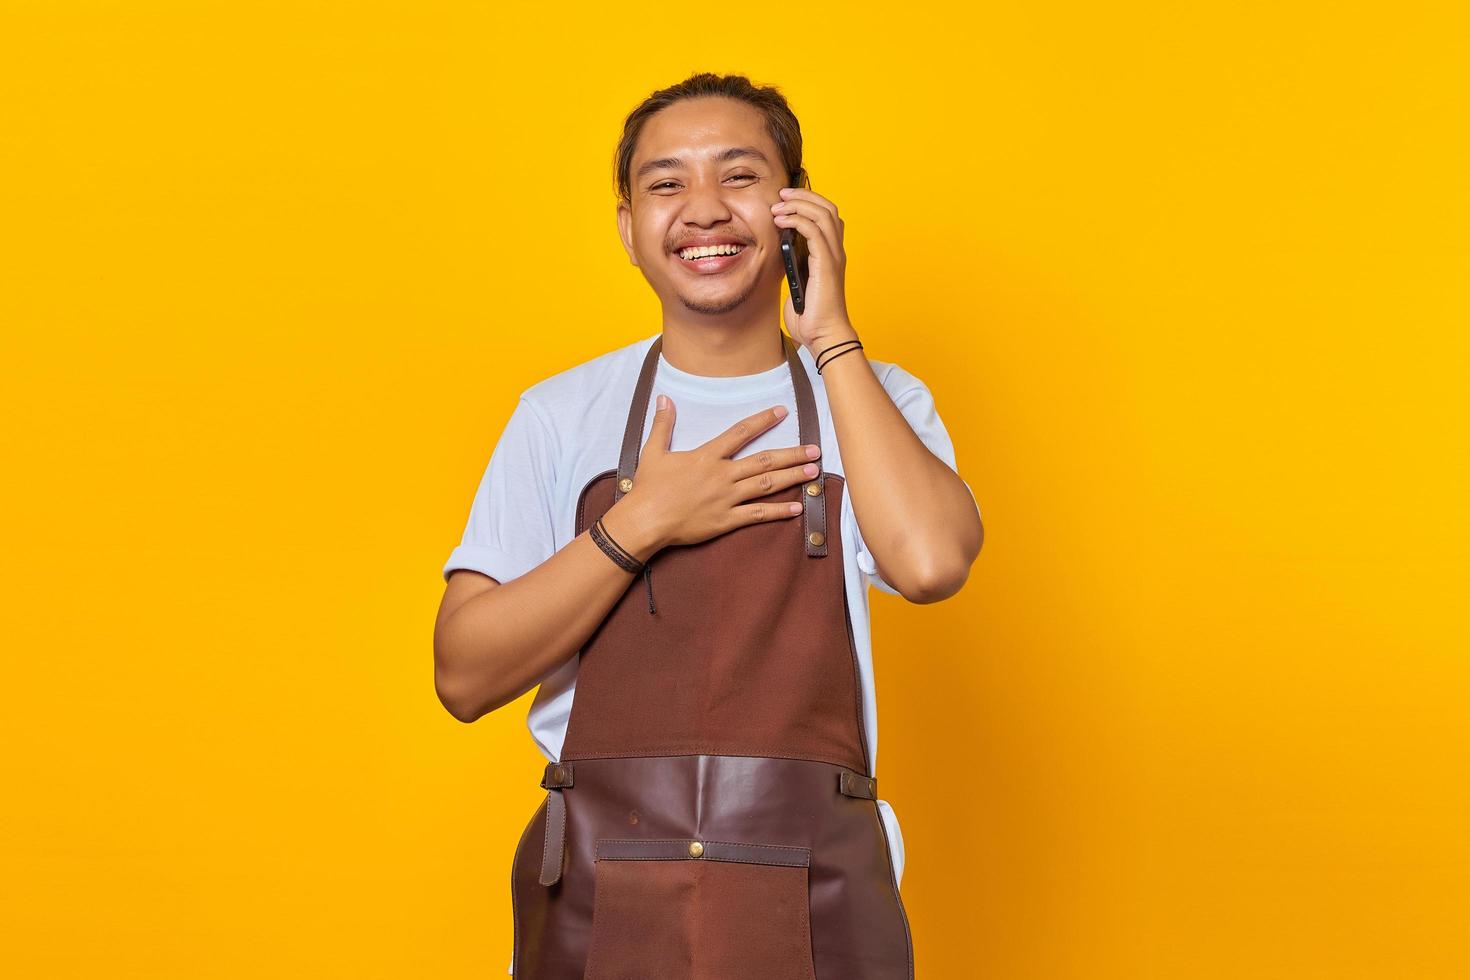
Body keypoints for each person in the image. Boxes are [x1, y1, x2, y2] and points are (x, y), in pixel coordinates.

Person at [434, 71, 983, 979]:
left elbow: (929, 564)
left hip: (816, 892)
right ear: (628, 230)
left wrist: (832, 337)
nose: (704, 210)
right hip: (599, 893)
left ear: (798, 207)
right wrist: (636, 524)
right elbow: (463, 675)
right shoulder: (561, 414)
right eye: (666, 183)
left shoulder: (878, 400)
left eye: (739, 176)